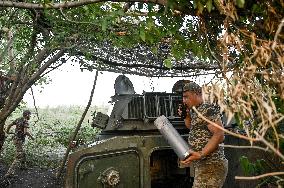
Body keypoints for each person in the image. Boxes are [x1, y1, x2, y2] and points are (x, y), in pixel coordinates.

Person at [178, 82, 228, 188]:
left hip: (212, 164)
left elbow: (219, 134)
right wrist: (186, 116)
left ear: (196, 94)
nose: (184, 100)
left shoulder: (207, 108)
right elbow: (193, 127)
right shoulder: (195, 110)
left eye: (186, 97)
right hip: (204, 164)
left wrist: (201, 153)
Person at [4, 110, 34, 177]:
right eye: (30, 115)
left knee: (23, 153)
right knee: (18, 157)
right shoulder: (25, 121)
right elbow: (25, 132)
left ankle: (23, 166)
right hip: (19, 140)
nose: (30, 116)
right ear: (26, 115)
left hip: (15, 139)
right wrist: (32, 137)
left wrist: (7, 132)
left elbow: (9, 125)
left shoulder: (18, 119)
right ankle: (9, 173)